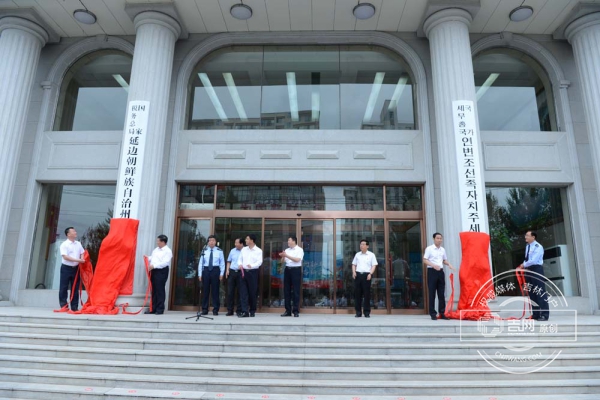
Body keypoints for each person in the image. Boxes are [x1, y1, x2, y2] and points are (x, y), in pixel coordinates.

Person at [423, 232, 455, 320]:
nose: (439, 240)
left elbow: (444, 260)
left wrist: (449, 264)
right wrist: (433, 265)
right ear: (434, 239)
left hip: (440, 272)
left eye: (441, 238)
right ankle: (433, 314)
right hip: (432, 271)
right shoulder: (429, 249)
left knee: (441, 293)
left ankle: (442, 313)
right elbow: (425, 260)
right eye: (437, 238)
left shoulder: (442, 250)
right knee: (432, 293)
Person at [523, 230, 549, 321]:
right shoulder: (527, 246)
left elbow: (533, 260)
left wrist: (523, 265)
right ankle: (536, 314)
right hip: (529, 270)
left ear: (533, 237)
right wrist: (523, 266)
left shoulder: (538, 247)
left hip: (536, 269)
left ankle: (544, 314)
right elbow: (527, 259)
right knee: (532, 293)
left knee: (540, 292)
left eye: (527, 235)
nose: (525, 237)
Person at [144, 234, 173, 315]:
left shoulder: (168, 251)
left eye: (158, 241)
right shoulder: (156, 249)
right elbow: (153, 258)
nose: (157, 243)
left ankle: (160, 309)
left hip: (161, 271)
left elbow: (165, 262)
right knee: (154, 290)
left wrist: (154, 265)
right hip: (154, 270)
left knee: (160, 290)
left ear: (163, 242)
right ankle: (153, 308)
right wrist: (148, 258)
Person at [59, 227, 85, 311]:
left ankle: (74, 307)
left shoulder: (78, 243)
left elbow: (82, 252)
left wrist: (82, 259)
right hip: (66, 268)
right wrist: (78, 260)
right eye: (73, 231)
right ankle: (64, 306)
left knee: (75, 288)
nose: (75, 232)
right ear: (68, 234)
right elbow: (65, 257)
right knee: (64, 287)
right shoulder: (64, 244)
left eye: (75, 231)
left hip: (76, 269)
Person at [198, 235, 225, 316]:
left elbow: (222, 263)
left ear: (215, 242)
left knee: (215, 291)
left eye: (213, 240)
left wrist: (221, 274)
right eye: (210, 240)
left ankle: (215, 309)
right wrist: (200, 274)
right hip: (206, 270)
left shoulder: (220, 251)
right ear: (208, 242)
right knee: (205, 291)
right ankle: (205, 309)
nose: (211, 242)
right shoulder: (204, 250)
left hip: (215, 270)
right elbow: (200, 263)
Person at [237, 234, 262, 318]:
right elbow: (240, 259)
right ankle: (245, 311)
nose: (246, 240)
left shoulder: (258, 251)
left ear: (252, 240)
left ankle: (252, 310)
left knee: (252, 292)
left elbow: (259, 262)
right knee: (243, 292)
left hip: (253, 272)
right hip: (243, 272)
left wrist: (252, 265)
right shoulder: (243, 249)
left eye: (247, 239)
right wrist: (240, 264)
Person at [279, 236, 304, 317]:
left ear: (294, 241)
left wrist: (287, 255)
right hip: (287, 270)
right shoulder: (287, 250)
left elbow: (297, 260)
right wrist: (283, 256)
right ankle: (288, 310)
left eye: (289, 240)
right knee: (286, 290)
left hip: (296, 270)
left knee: (296, 291)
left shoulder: (299, 250)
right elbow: (283, 262)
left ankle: (296, 310)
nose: (288, 242)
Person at [352, 239, 378, 318]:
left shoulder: (371, 255)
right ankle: (358, 312)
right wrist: (354, 272)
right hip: (358, 275)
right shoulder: (357, 254)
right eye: (360, 244)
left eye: (363, 244)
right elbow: (353, 264)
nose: (361, 246)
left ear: (367, 246)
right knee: (358, 294)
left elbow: (374, 265)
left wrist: (370, 273)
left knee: (367, 294)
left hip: (367, 275)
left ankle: (366, 312)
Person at [226, 237, 245, 316]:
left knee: (241, 292)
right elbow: (229, 261)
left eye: (237, 243)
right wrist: (227, 270)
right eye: (235, 243)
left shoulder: (245, 251)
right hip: (232, 272)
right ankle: (230, 310)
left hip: (241, 273)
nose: (235, 244)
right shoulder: (232, 250)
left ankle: (239, 310)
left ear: (241, 244)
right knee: (230, 292)